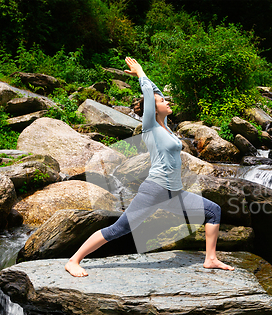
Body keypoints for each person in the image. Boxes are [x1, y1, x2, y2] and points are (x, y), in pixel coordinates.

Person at [65, 57, 234, 277]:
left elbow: (153, 93)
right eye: (163, 101)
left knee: (213, 211)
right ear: (153, 110)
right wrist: (141, 73)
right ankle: (74, 260)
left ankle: (210, 258)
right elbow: (149, 95)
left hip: (173, 193)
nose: (168, 102)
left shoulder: (166, 128)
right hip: (154, 190)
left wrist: (145, 79)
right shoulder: (151, 127)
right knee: (120, 229)